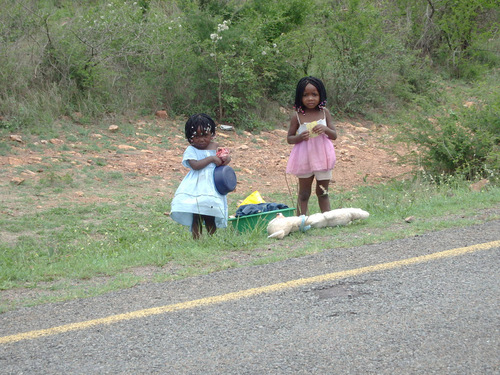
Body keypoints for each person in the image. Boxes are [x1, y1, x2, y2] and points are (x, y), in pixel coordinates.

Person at [170, 113, 231, 239]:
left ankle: (211, 238)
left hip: (212, 187)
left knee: (210, 214)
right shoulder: (191, 150)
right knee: (196, 214)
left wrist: (225, 158)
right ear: (190, 137)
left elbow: (223, 162)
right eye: (196, 136)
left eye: (205, 135)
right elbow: (195, 165)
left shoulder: (216, 147)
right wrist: (211, 158)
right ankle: (196, 239)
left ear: (212, 134)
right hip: (196, 187)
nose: (201, 139)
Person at [286, 76, 337, 216]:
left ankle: (328, 220)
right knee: (304, 193)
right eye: (305, 95)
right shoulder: (297, 116)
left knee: (322, 192)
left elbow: (334, 135)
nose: (310, 98)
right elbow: (289, 138)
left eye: (314, 94)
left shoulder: (324, 113)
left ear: (321, 95)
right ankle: (302, 222)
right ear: (299, 97)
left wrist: (325, 129)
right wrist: (299, 137)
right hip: (304, 159)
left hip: (323, 158)